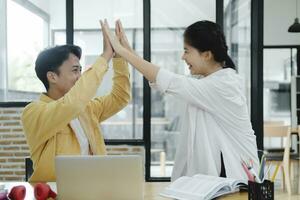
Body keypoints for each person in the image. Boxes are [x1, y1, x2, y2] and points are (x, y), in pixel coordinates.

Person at [101, 19, 259, 181]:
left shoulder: (223, 86)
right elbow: (165, 80)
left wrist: (122, 50)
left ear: (206, 55)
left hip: (238, 180)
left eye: (187, 51)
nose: (183, 57)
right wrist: (127, 49)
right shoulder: (209, 83)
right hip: (223, 179)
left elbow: (170, 81)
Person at [21, 22, 131, 182]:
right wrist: (105, 56)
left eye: (80, 70)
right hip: (55, 194)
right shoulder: (33, 112)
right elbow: (72, 104)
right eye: (74, 70)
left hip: (94, 189)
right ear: (52, 77)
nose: (80, 76)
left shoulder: (87, 108)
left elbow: (120, 98)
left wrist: (119, 57)